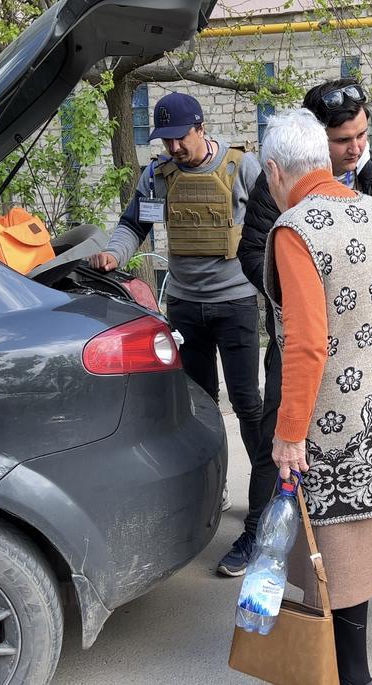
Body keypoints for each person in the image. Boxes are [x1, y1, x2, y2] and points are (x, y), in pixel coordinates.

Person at [220, 77, 372, 577]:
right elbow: (254, 253)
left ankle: (338, 576)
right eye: (342, 141)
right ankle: (259, 532)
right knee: (280, 437)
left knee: (308, 454)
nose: (355, 149)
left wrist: (361, 338)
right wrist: (296, 288)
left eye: (361, 136)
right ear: (316, 140)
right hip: (301, 339)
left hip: (346, 354)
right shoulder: (283, 192)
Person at [260, 108, 372, 685]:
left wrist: (289, 433)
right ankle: (353, 673)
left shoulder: (296, 229)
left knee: (330, 559)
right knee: (355, 561)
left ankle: (346, 677)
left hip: (329, 433)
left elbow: (305, 345)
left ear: (276, 171)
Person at [89, 92, 263, 498]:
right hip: (185, 304)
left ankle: (265, 487)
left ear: (200, 128)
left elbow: (271, 222)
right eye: (165, 140)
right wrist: (114, 256)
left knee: (246, 402)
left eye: (180, 137)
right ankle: (213, 485)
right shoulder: (158, 176)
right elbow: (134, 226)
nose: (173, 147)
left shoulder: (241, 168)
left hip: (235, 303)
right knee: (199, 405)